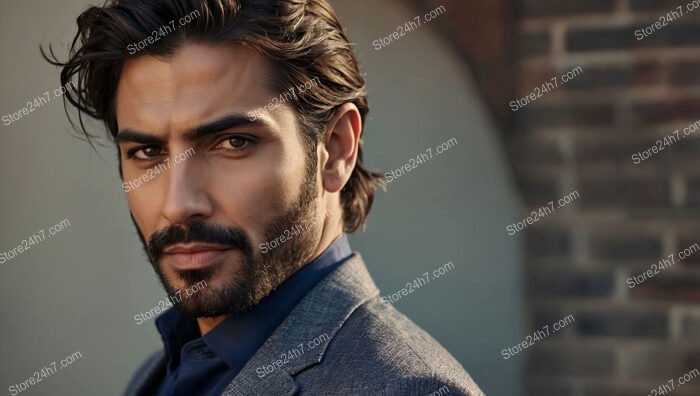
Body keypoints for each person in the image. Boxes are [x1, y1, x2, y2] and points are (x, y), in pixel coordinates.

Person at [44, 0, 483, 394]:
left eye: (233, 142)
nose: (177, 204)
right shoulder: (163, 373)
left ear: (335, 149)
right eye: (147, 152)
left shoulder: (409, 389)